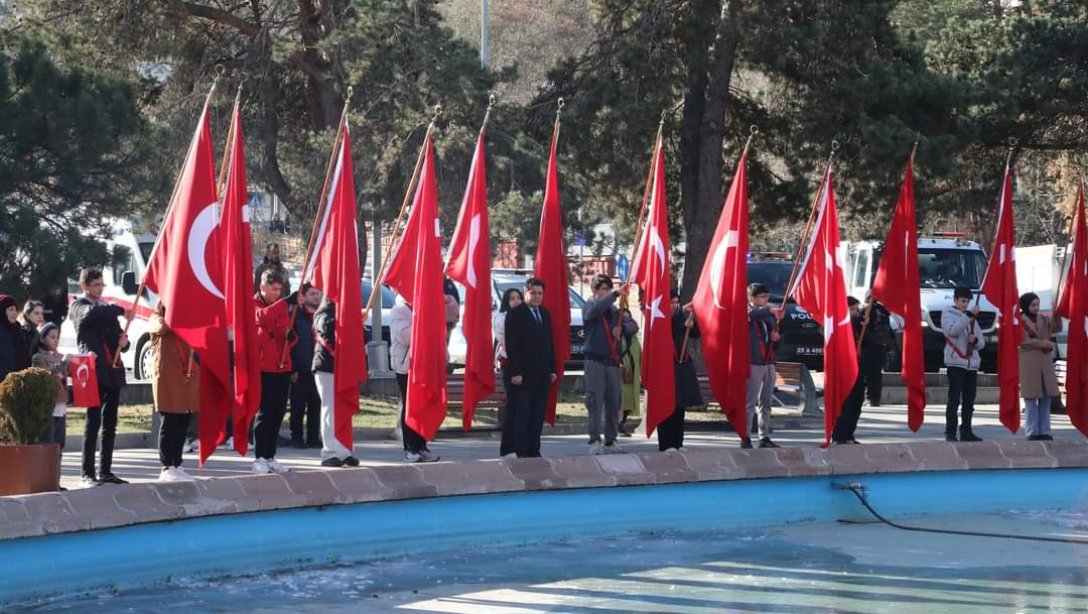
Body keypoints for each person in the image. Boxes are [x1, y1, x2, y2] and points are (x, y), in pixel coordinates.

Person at [68, 269, 131, 486]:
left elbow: (119, 337)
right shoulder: (79, 306)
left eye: (102, 285)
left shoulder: (105, 308)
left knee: (110, 423)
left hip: (112, 370)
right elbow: (90, 315)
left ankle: (106, 470)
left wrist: (124, 343)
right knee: (92, 421)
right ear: (85, 286)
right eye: (95, 284)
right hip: (92, 370)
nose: (99, 288)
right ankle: (87, 473)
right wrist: (120, 309)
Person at [581, 275, 635, 454]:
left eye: (608, 289)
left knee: (613, 402)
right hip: (595, 361)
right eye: (603, 289)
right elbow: (593, 311)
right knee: (595, 402)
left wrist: (623, 329)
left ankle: (610, 441)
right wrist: (614, 294)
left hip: (612, 362)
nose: (606, 292)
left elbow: (633, 324)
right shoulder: (589, 305)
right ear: (595, 291)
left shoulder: (614, 310)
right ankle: (594, 440)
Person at [504, 277, 557, 458]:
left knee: (537, 414)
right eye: (533, 293)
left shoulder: (545, 313)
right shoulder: (516, 314)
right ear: (525, 293)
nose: (536, 297)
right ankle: (521, 449)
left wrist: (552, 369)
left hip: (542, 374)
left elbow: (549, 343)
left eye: (540, 293)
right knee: (523, 414)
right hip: (523, 375)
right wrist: (516, 372)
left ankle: (534, 448)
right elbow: (513, 345)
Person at [148, 304, 199, 481]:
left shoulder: (185, 322)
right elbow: (162, 327)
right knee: (169, 421)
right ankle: (166, 465)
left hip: (185, 375)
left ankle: (177, 463)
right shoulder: (156, 319)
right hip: (168, 379)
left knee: (183, 420)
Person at [252, 270, 294, 474]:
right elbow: (262, 318)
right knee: (265, 412)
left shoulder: (281, 307)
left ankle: (270, 455)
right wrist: (284, 303)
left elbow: (284, 330)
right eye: (274, 289)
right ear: (262, 286)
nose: (277, 293)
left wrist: (290, 336)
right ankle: (259, 456)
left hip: (282, 365)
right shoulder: (254, 304)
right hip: (264, 367)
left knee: (278, 413)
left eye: (280, 290)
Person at [312, 298, 360, 467]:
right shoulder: (323, 312)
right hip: (326, 366)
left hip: (343, 367)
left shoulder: (346, 312)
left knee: (343, 409)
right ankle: (329, 452)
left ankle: (344, 450)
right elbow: (325, 326)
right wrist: (346, 318)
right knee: (330, 408)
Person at [390, 298, 439, 462]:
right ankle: (410, 448)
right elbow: (405, 336)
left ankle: (421, 445)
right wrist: (422, 322)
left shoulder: (425, 306)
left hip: (424, 365)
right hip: (406, 366)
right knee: (409, 405)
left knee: (423, 406)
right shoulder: (399, 310)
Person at [658, 290, 701, 452]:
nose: (673, 306)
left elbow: (696, 334)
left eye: (675, 302)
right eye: (670, 302)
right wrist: (682, 317)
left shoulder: (679, 317)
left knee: (680, 406)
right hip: (665, 366)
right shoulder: (659, 317)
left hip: (681, 364)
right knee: (667, 406)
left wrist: (692, 322)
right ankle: (666, 443)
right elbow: (670, 330)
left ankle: (678, 442)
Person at [942, 286, 985, 442]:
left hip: (971, 364)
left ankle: (966, 430)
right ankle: (950, 432)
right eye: (962, 301)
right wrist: (967, 315)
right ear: (955, 300)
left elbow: (981, 343)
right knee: (954, 400)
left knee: (969, 400)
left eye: (967, 301)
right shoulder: (948, 314)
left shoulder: (972, 319)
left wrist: (976, 341)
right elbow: (952, 331)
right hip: (955, 363)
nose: (965, 304)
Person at [745, 283, 783, 449]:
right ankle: (744, 436)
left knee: (766, 402)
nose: (766, 300)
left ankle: (764, 436)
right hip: (753, 362)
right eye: (762, 297)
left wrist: (776, 339)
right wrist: (769, 310)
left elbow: (772, 336)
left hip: (768, 361)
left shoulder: (768, 316)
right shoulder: (747, 312)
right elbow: (752, 315)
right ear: (752, 298)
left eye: (767, 297)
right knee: (750, 402)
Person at [32, 322, 69, 485]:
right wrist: (63, 364)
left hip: (61, 405)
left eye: (57, 337)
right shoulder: (38, 358)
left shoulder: (58, 355)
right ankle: (44, 480)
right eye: (52, 337)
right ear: (42, 338)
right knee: (47, 442)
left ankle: (56, 480)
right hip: (48, 406)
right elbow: (46, 375)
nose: (55, 340)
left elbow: (64, 376)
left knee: (59, 445)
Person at [1018, 292, 1059, 441]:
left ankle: (1045, 430)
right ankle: (1031, 431)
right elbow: (1023, 341)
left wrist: (1057, 313)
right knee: (1030, 400)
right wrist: (1043, 344)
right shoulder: (1020, 321)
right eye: (1032, 305)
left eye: (1037, 305)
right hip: (1029, 364)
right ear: (1025, 306)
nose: (1036, 308)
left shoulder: (1043, 319)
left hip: (1044, 363)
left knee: (1045, 398)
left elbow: (1056, 328)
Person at [288, 283, 322, 449]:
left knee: (315, 404)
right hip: (300, 368)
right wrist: (292, 367)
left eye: (317, 294)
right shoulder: (295, 314)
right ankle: (296, 437)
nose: (316, 297)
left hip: (317, 367)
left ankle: (313, 438)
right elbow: (290, 344)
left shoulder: (319, 315)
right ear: (303, 296)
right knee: (298, 405)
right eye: (312, 294)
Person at [493, 287, 523, 458]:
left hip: (524, 366)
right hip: (509, 365)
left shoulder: (524, 316)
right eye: (512, 298)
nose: (516, 301)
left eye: (518, 297)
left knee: (522, 409)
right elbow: (506, 334)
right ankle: (507, 448)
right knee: (512, 407)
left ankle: (520, 445)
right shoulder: (501, 317)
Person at [833, 297, 866, 445]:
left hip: (858, 367)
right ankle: (839, 435)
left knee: (857, 401)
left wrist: (866, 326)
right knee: (846, 403)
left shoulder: (858, 325)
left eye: (856, 309)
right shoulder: (837, 324)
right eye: (852, 309)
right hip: (843, 368)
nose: (856, 312)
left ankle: (849, 434)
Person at [859, 299, 893, 407]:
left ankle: (871, 397)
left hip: (870, 345)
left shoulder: (867, 309)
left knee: (869, 374)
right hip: (878, 344)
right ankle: (875, 398)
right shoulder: (882, 310)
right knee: (876, 374)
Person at [619, 307, 642, 437]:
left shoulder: (634, 338)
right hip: (622, 370)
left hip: (632, 371)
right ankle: (619, 423)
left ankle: (622, 423)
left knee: (629, 400)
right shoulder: (617, 336)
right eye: (624, 317)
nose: (627, 320)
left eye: (628, 317)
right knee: (622, 399)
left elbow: (640, 353)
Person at [0, 294, 32, 384]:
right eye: (10, 310)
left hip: (19, 383)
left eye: (15, 310)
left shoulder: (17, 329)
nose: (14, 313)